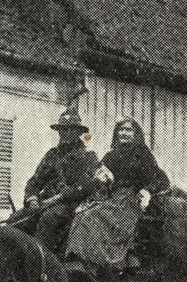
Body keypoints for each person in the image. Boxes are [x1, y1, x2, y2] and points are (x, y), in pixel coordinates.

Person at [66, 119, 169, 272]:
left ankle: (97, 261)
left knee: (92, 217)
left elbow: (161, 179)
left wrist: (147, 191)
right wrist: (101, 178)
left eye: (129, 130)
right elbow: (99, 179)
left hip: (131, 200)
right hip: (111, 199)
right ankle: (81, 261)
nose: (124, 133)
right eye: (121, 129)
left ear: (136, 134)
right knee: (83, 214)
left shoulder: (142, 154)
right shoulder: (110, 156)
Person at [15, 106, 99, 253]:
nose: (64, 133)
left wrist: (57, 198)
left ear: (78, 133)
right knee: (17, 219)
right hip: (44, 202)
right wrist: (32, 198)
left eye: (69, 129)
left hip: (70, 205)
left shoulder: (88, 157)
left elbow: (87, 186)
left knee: (49, 218)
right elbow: (34, 181)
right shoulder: (52, 155)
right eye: (62, 130)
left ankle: (41, 263)